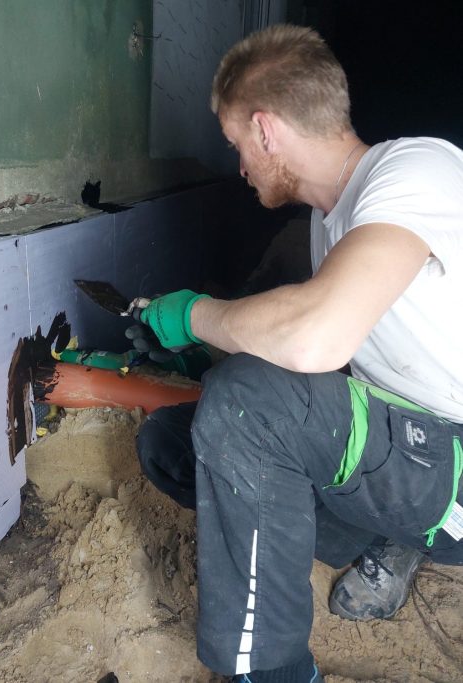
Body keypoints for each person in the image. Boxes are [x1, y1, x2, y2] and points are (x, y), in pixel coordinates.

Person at [133, 23, 463, 683]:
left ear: (265, 129)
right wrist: (205, 360)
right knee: (173, 442)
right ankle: (390, 537)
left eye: (236, 145)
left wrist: (194, 315)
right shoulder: (326, 222)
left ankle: (275, 672)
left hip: (452, 464)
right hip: (407, 455)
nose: (239, 166)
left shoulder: (415, 172)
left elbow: (314, 336)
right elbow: (331, 371)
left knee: (246, 407)